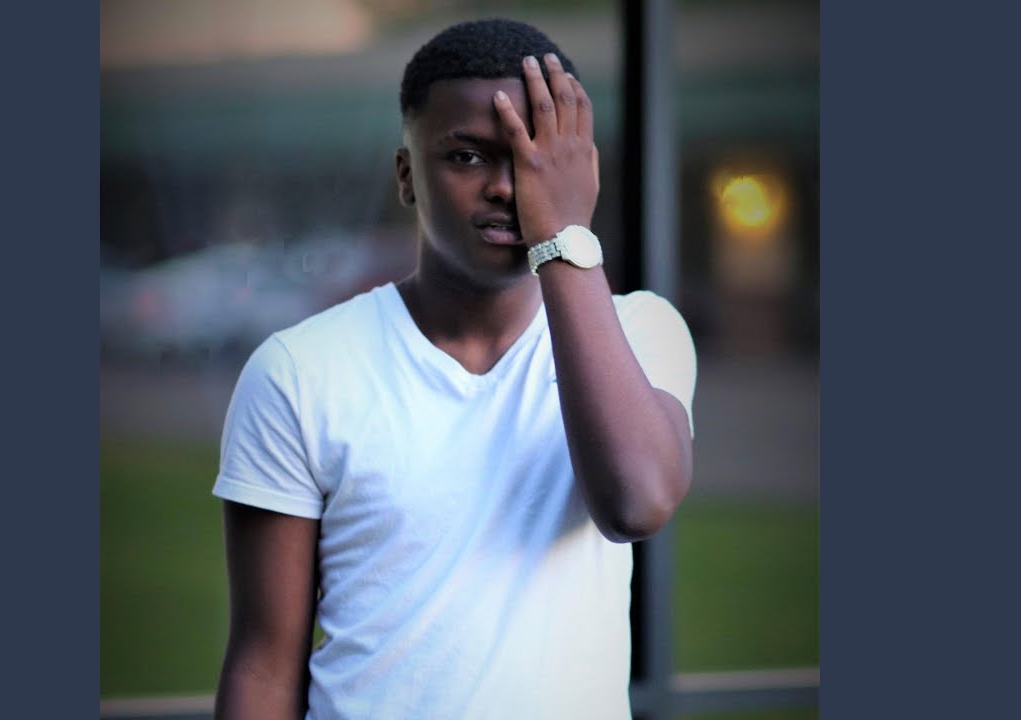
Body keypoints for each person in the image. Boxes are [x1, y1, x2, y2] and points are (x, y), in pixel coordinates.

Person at [212, 18, 696, 719]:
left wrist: (564, 237)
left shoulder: (643, 332)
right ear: (407, 176)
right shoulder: (298, 370)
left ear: (576, 174)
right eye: (467, 157)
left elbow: (637, 502)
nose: (505, 186)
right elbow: (263, 666)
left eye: (534, 157)